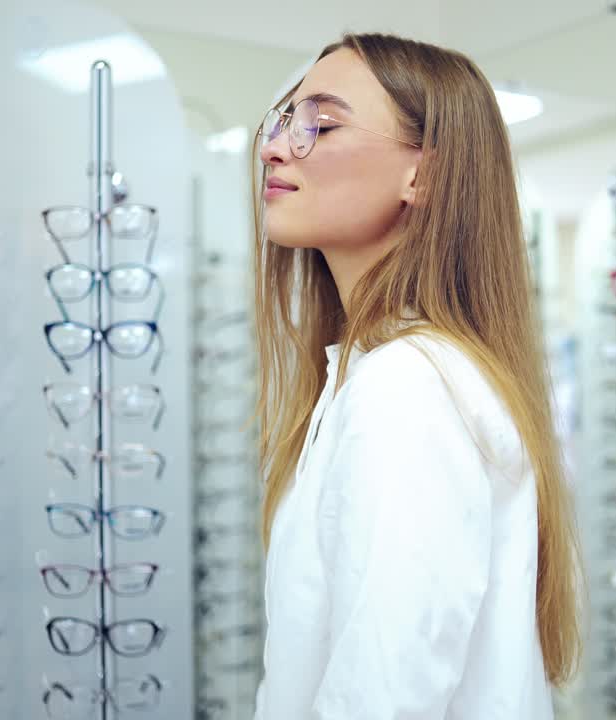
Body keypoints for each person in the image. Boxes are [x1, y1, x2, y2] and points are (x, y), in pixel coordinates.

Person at [250, 32, 583, 719]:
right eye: (283, 120)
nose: (275, 146)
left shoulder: (406, 387)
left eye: (321, 124)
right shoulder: (380, 373)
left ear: (422, 177)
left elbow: (382, 694)